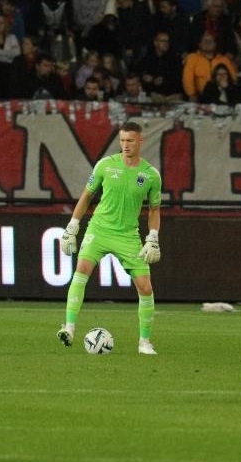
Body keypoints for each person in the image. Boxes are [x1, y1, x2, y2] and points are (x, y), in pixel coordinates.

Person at [56, 121, 162, 355]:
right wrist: (73, 226)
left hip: (128, 236)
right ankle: (69, 328)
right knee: (82, 268)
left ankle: (144, 343)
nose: (125, 145)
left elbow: (154, 210)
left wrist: (152, 237)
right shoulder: (105, 165)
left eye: (130, 141)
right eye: (122, 140)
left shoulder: (151, 175)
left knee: (145, 288)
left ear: (140, 141)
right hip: (100, 229)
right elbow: (87, 196)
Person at [182, 31, 237, 102]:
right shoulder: (192, 58)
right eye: (205, 41)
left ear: (215, 44)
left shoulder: (224, 59)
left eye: (211, 41)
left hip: (222, 95)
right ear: (199, 44)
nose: (208, 43)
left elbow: (233, 78)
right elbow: (187, 78)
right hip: (200, 96)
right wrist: (191, 94)